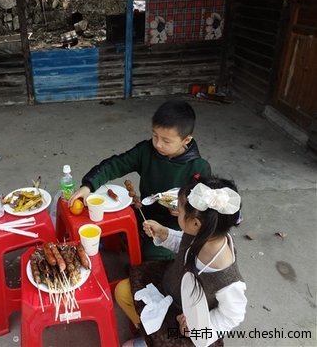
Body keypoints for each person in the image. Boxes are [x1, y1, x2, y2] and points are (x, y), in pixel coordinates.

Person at [69, 100, 211, 261]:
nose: (158, 144)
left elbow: (206, 208)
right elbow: (115, 164)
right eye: (155, 136)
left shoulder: (199, 167)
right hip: (144, 211)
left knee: (150, 254)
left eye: (166, 141)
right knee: (110, 227)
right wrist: (88, 185)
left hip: (174, 225)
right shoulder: (146, 150)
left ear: (186, 140)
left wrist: (186, 211)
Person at [118, 176, 247, 347]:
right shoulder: (202, 234)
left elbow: (232, 316)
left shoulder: (227, 280)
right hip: (169, 285)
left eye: (179, 210)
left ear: (195, 223)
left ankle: (150, 339)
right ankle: (146, 329)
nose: (176, 212)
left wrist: (197, 329)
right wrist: (164, 233)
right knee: (122, 292)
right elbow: (184, 243)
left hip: (185, 317)